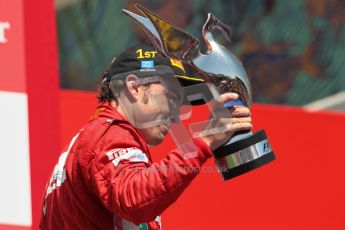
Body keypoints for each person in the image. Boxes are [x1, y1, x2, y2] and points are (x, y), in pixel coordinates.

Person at [40, 44, 252, 230]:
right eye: (170, 98)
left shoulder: (92, 138)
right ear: (134, 87)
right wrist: (204, 142)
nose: (175, 114)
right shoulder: (110, 134)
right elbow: (135, 198)